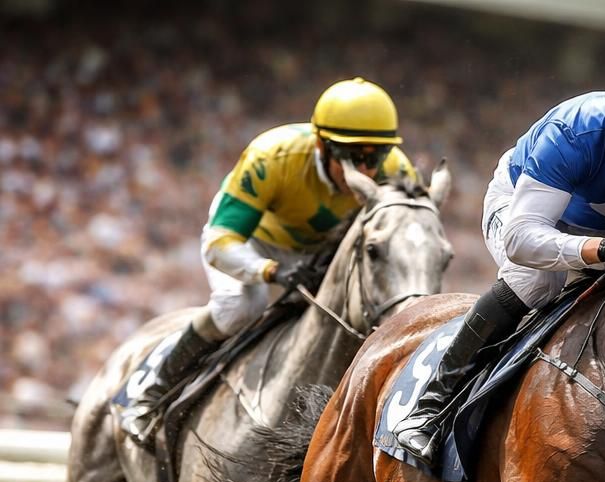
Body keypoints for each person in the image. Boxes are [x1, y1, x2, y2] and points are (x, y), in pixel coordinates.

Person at [393, 36, 605, 466]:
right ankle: (431, 407)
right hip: (527, 211)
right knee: (537, 279)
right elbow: (521, 239)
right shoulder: (573, 133)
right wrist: (601, 248)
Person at [122, 78, 416, 441]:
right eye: (353, 157)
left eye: (375, 157)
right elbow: (220, 241)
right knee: (240, 306)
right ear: (322, 146)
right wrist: (272, 271)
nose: (366, 171)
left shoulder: (398, 171)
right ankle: (154, 389)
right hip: (257, 243)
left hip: (324, 252)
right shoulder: (272, 157)